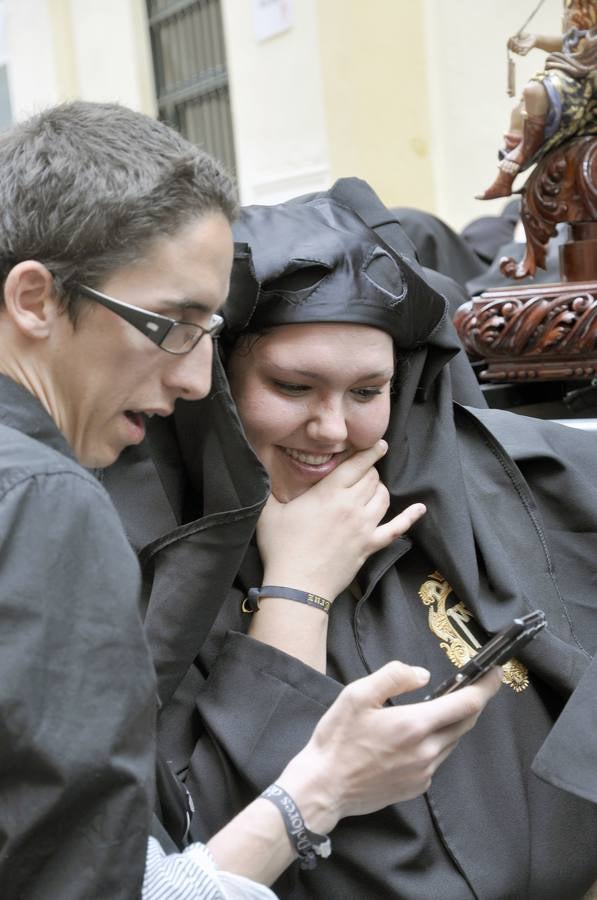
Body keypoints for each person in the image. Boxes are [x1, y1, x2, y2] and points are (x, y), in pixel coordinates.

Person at [0, 102, 501, 899]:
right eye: (171, 324)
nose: (193, 380)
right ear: (33, 300)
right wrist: (320, 787)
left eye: (369, 390)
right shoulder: (51, 502)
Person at [107, 179, 597, 899]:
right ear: (217, 383)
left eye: (367, 392)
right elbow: (202, 856)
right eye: (293, 387)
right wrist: (295, 590)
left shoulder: (499, 484)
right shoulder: (148, 564)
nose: (333, 430)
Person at [477, 0, 597, 200]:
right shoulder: (579, 15)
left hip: (587, 81)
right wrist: (536, 40)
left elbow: (585, 50)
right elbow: (569, 42)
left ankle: (520, 156)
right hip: (574, 71)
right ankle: (508, 166)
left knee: (534, 92)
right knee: (518, 113)